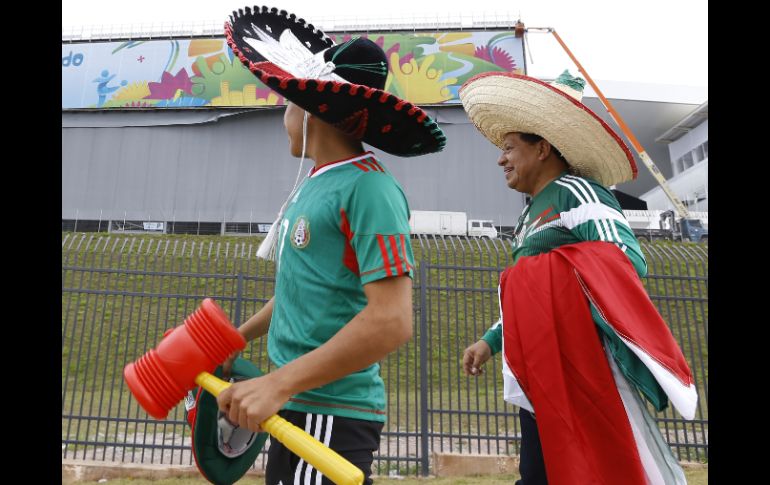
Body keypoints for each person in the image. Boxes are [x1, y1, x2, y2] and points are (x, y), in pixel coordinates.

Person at [215, 6, 446, 484]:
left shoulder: (370, 189)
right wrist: (236, 340)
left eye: (287, 102)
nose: (284, 114)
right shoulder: (317, 183)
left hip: (329, 411)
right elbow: (303, 293)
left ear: (312, 109)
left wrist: (277, 384)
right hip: (296, 401)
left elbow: (391, 320)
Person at [458, 70, 697, 485]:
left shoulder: (579, 192)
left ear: (542, 149)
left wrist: (546, 278)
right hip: (538, 362)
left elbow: (622, 259)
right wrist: (490, 340)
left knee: (595, 465)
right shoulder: (527, 216)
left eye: (509, 147)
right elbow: (526, 296)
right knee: (544, 469)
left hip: (582, 363)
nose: (501, 159)